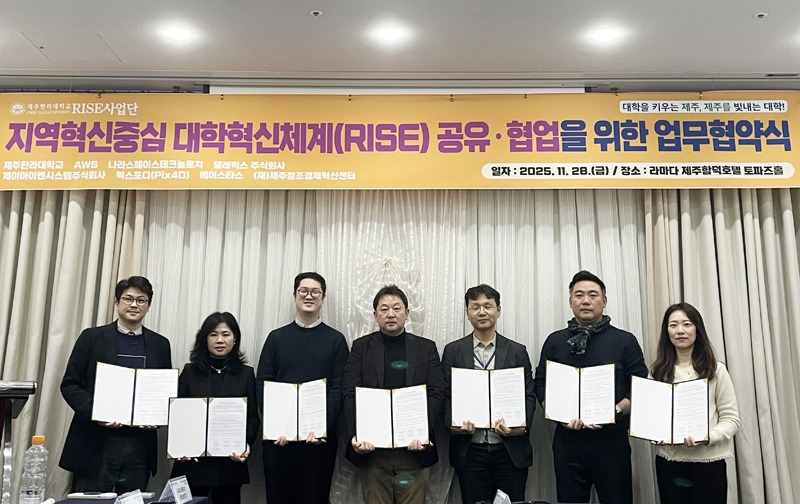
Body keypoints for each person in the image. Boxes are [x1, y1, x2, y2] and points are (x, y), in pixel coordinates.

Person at [533, 270, 647, 504]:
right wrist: (558, 414)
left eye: (593, 295)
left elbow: (640, 386)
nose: (586, 300)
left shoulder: (625, 340)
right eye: (579, 295)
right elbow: (541, 383)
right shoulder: (555, 341)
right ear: (570, 301)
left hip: (611, 441)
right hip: (568, 442)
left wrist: (615, 411)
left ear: (604, 301)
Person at [60, 276, 172, 493]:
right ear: (116, 303)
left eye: (141, 300)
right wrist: (97, 412)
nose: (134, 305)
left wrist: (157, 418)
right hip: (96, 442)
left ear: (148, 306)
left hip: (140, 445)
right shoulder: (91, 337)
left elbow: (163, 391)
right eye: (128, 299)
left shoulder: (160, 344)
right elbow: (70, 385)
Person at [342, 284, 445, 504]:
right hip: (373, 451)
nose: (390, 314)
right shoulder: (361, 347)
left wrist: (424, 433)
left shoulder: (426, 348)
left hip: (414, 451)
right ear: (375, 315)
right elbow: (350, 393)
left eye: (397, 308)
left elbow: (437, 392)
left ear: (407, 313)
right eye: (384, 309)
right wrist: (357, 435)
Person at [256, 272, 349, 504]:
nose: (309, 296)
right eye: (303, 291)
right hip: (279, 441)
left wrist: (322, 428)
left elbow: (338, 388)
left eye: (315, 292)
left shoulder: (336, 340)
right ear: (294, 295)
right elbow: (263, 385)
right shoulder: (276, 338)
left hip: (318, 442)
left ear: (323, 298)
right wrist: (276, 426)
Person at [442, 284, 536, 504]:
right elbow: (446, 395)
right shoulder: (453, 351)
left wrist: (520, 427)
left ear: (498, 310)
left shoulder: (517, 351)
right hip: (470, 450)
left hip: (509, 450)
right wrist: (453, 425)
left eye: (488, 306)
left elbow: (528, 395)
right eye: (475, 307)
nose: (482, 312)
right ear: (467, 313)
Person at [649, 303, 740, 504]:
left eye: (687, 324)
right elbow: (652, 417)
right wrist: (653, 433)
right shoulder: (657, 372)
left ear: (698, 329)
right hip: (669, 463)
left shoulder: (716, 370)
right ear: (666, 331)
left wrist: (707, 437)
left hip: (708, 464)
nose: (680, 330)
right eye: (673, 325)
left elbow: (731, 419)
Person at [170, 311, 259, 504]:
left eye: (226, 334)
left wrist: (245, 444)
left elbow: (252, 418)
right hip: (192, 464)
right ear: (205, 339)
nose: (220, 340)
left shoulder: (246, 374)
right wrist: (179, 446)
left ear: (235, 339)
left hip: (230, 464)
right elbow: (177, 416)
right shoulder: (189, 372)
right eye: (213, 334)